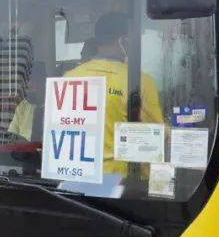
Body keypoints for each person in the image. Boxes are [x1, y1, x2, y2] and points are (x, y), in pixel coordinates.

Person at [64, 13, 162, 174]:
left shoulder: (69, 78)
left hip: (76, 177)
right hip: (121, 181)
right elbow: (154, 137)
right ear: (123, 41)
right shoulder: (140, 81)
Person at [7, 62, 47, 141]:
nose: (29, 85)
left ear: (44, 81)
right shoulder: (23, 106)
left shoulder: (56, 108)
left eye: (33, 80)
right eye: (26, 81)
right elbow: (12, 135)